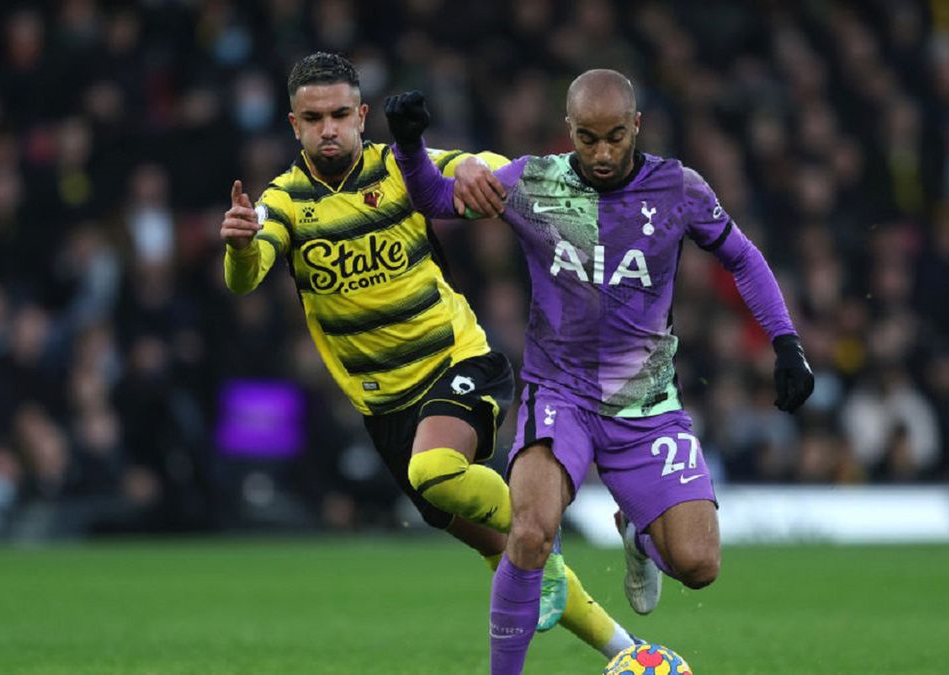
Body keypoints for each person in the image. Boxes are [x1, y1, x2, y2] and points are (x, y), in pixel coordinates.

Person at [386, 69, 815, 673]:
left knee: (699, 566)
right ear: (570, 131)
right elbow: (436, 201)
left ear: (636, 126)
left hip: (647, 408)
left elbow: (742, 257)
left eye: (616, 136)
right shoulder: (532, 181)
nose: (604, 152)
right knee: (531, 532)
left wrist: (786, 342)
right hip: (559, 394)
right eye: (588, 139)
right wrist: (408, 148)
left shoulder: (680, 189)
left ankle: (639, 534)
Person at [221, 53, 641, 661]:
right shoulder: (282, 203)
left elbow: (486, 168)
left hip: (457, 363)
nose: (329, 128)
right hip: (387, 410)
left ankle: (547, 534)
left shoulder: (397, 168)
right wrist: (238, 245)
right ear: (294, 125)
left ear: (363, 115)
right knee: (501, 548)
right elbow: (248, 273)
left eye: (341, 113)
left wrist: (474, 163)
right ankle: (630, 652)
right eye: (314, 119)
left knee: (438, 474)